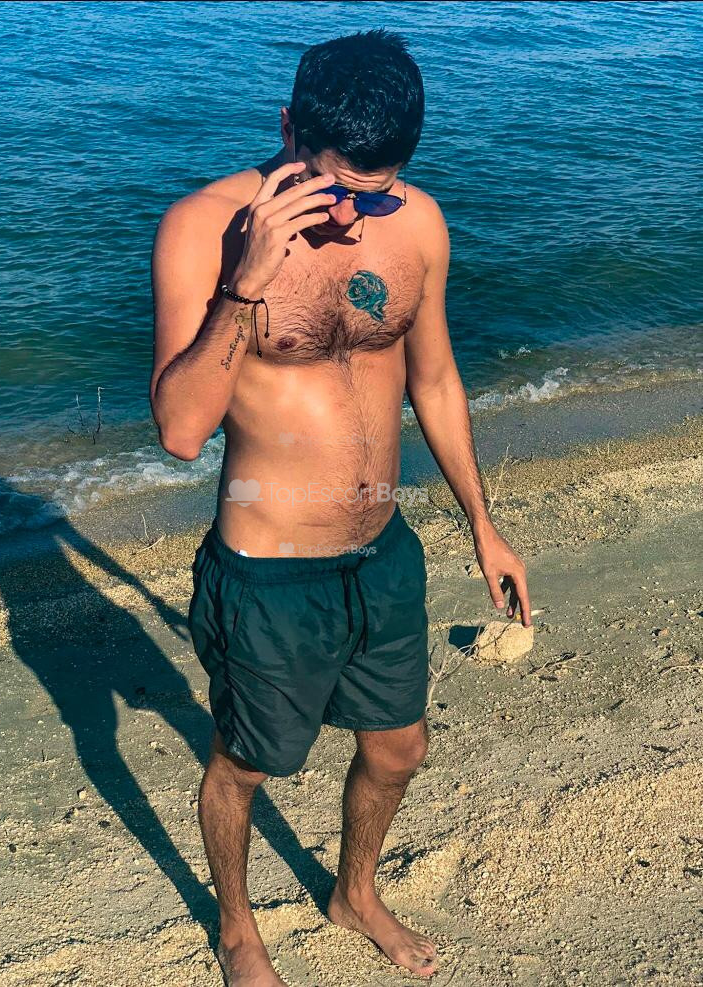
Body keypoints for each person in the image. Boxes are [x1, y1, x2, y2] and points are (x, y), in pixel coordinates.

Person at [150, 28, 531, 987]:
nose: (355, 213)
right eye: (334, 187)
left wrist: (483, 524)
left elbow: (433, 379)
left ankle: (353, 892)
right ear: (288, 129)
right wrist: (244, 285)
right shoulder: (201, 228)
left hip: (381, 556)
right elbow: (182, 430)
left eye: (378, 191)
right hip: (268, 575)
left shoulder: (419, 223)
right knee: (247, 765)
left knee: (399, 750)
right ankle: (238, 930)